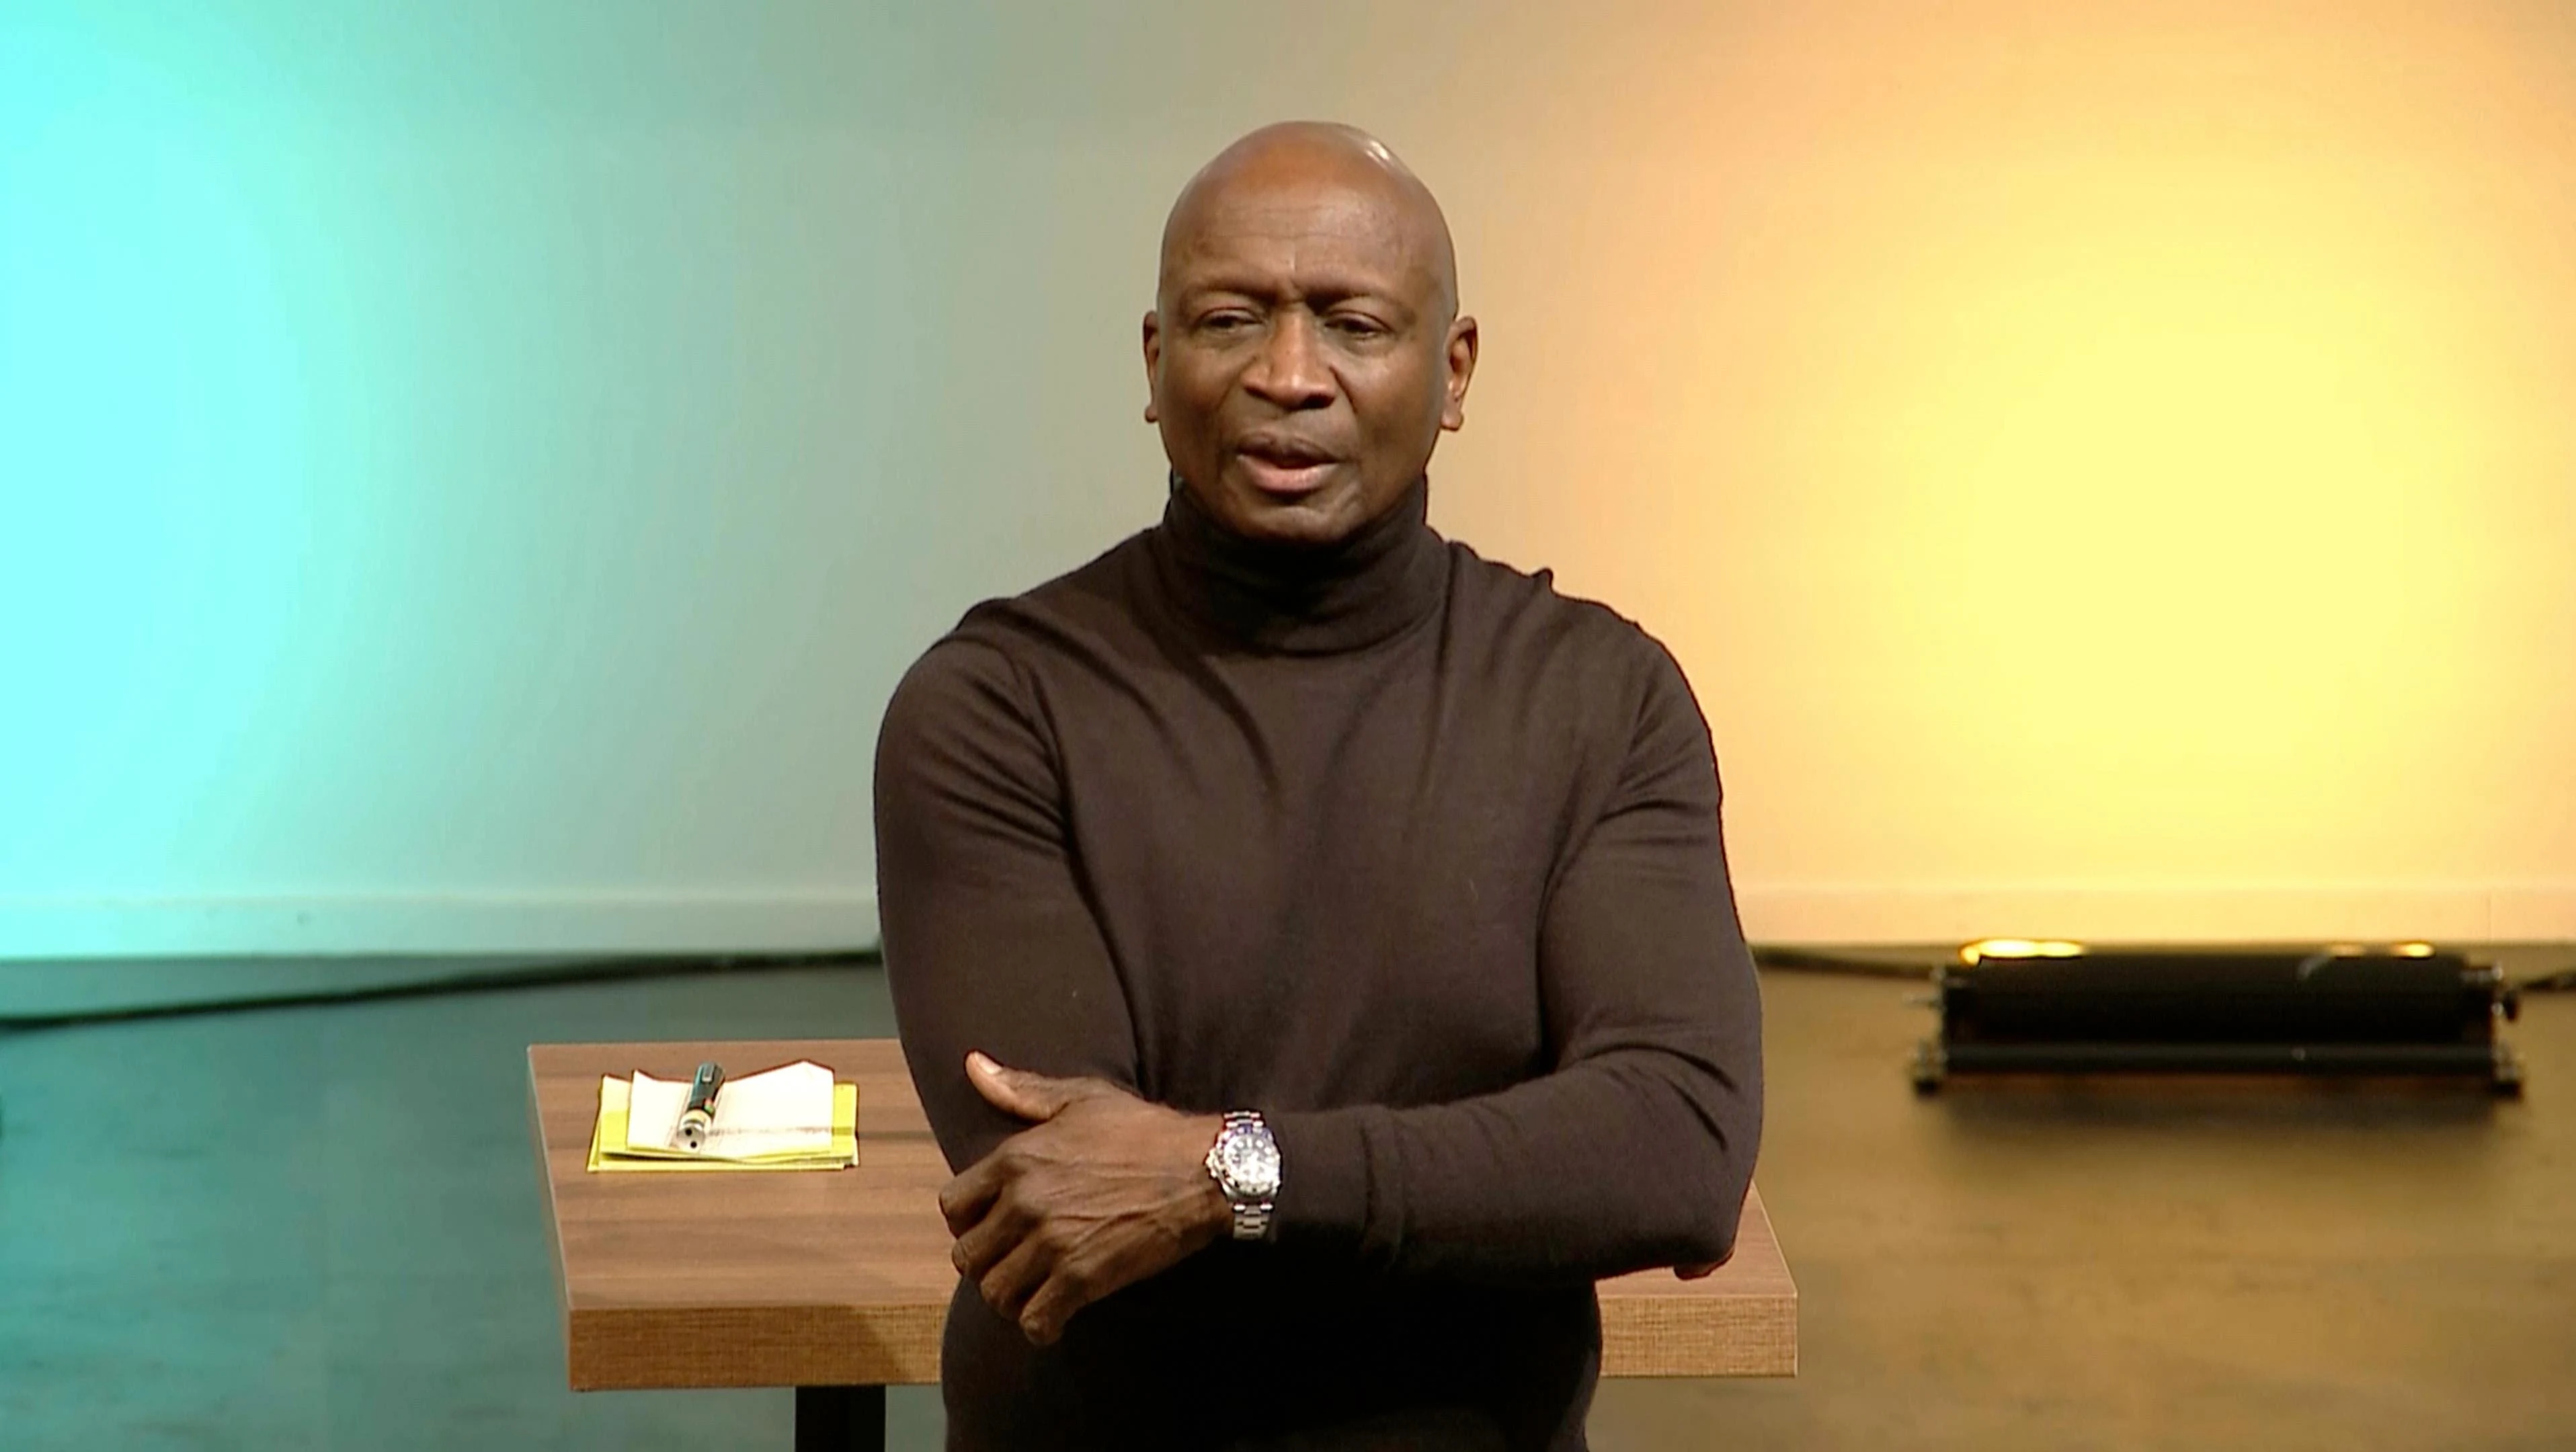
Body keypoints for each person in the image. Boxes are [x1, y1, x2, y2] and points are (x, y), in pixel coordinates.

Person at [874, 120, 1763, 1451]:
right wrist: (1499, 1177)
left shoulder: (1598, 699)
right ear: (1154, 360)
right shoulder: (996, 705)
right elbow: (1062, 1197)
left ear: (1452, 371)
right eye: (1229, 320)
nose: (1289, 377)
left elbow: (1677, 1150)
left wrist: (1220, 1175)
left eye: (1354, 325)